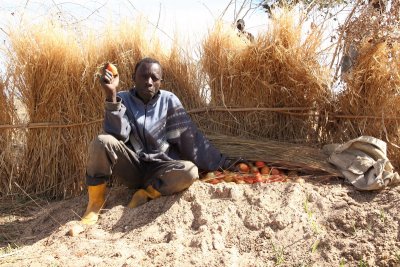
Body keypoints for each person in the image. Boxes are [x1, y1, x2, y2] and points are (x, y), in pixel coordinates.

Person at [81, 57, 241, 225]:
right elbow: (117, 135)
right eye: (143, 76)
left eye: (154, 78)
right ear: (133, 78)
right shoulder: (122, 99)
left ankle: (147, 193)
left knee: (190, 171)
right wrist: (111, 96)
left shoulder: (169, 100)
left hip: (160, 168)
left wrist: (221, 163)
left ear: (161, 82)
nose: (149, 82)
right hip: (132, 166)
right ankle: (95, 204)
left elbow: (189, 138)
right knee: (101, 141)